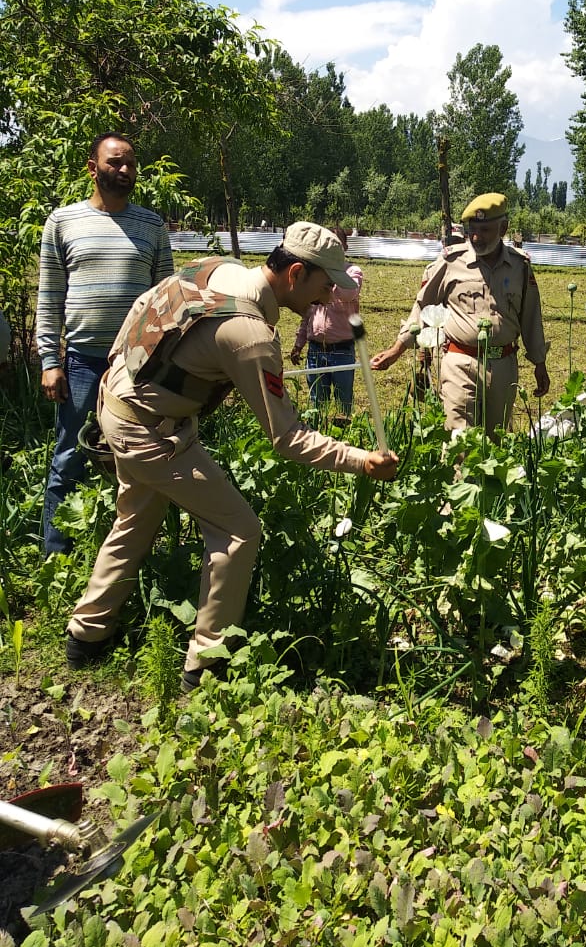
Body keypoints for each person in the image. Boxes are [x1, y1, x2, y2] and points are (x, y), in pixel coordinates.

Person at [65, 223, 399, 689]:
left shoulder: (217, 271)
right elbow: (286, 438)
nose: (326, 298)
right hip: (152, 432)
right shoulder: (251, 334)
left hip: (121, 405)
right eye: (325, 285)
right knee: (239, 530)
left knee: (135, 519)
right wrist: (362, 461)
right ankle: (208, 660)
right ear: (295, 273)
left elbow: (142, 308)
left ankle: (86, 635)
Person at [36, 133, 174, 557]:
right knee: (69, 458)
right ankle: (55, 559)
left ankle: (129, 556)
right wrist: (48, 360)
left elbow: (167, 299)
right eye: (116, 162)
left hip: (136, 367)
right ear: (93, 167)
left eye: (131, 163)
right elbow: (49, 296)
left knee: (139, 461)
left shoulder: (152, 225)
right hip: (81, 364)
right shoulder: (63, 222)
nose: (126, 171)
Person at [371, 193, 550, 436]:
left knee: (495, 442)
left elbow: (531, 317)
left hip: (503, 365)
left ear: (503, 228)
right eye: (472, 229)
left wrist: (540, 363)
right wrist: (396, 350)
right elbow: (423, 307)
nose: (476, 237)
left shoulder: (520, 267)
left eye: (485, 230)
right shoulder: (450, 262)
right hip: (460, 362)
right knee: (460, 440)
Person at [290, 226, 362, 416]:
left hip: (342, 350)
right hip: (315, 350)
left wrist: (325, 278)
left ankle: (345, 439)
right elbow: (308, 313)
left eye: (337, 244)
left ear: (345, 247)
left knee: (343, 403)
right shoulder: (314, 275)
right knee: (316, 404)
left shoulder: (353, 271)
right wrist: (299, 344)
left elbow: (348, 292)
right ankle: (319, 438)